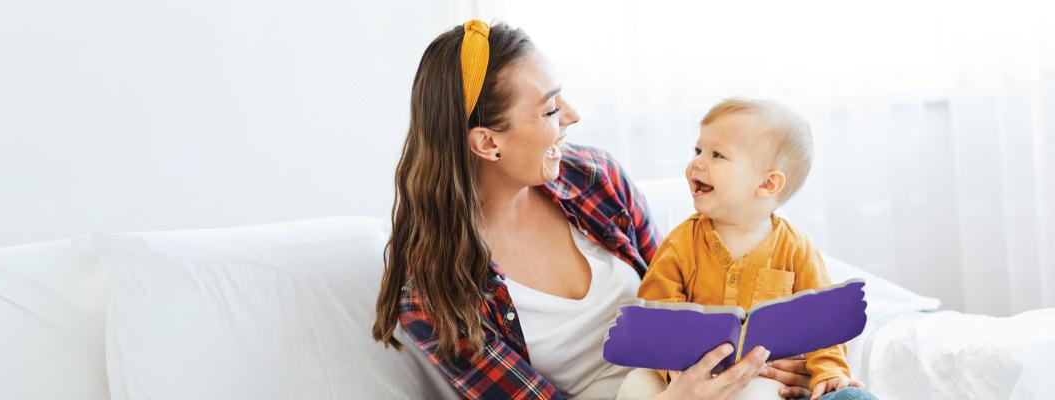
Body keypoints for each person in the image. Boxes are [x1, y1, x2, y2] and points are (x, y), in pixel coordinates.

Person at [371, 19, 823, 399]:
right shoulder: (435, 292)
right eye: (549, 110)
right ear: (488, 142)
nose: (572, 114)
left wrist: (772, 359)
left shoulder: (593, 177)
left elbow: (686, 285)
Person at [633, 99, 875, 400]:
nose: (697, 163)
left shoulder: (795, 248)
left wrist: (829, 371)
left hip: (758, 375)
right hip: (684, 377)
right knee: (636, 385)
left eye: (717, 154)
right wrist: (676, 373)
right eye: (698, 151)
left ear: (768, 184)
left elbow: (822, 323)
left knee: (759, 394)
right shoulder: (680, 243)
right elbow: (657, 311)